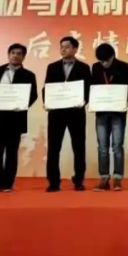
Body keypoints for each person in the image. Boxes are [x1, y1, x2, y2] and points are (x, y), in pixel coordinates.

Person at [0, 43, 38, 192]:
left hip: (15, 119)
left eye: (19, 53)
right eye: (13, 53)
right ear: (8, 55)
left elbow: (33, 95)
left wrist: (21, 105)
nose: (15, 56)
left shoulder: (29, 75)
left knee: (11, 153)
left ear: (23, 57)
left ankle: (8, 183)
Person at [43, 36, 91, 192]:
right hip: (56, 113)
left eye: (67, 46)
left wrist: (83, 101)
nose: (64, 49)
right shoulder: (52, 67)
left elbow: (88, 89)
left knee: (78, 147)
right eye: (62, 47)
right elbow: (47, 88)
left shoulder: (84, 68)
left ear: (75, 49)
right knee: (53, 147)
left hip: (76, 113)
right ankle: (53, 181)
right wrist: (47, 101)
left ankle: (79, 180)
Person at [91, 43, 128, 192]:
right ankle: (104, 177)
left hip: (118, 113)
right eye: (101, 61)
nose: (104, 64)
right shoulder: (96, 67)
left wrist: (122, 102)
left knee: (117, 146)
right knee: (102, 147)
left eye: (107, 60)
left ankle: (118, 178)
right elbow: (93, 87)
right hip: (101, 112)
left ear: (113, 56)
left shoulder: (123, 66)